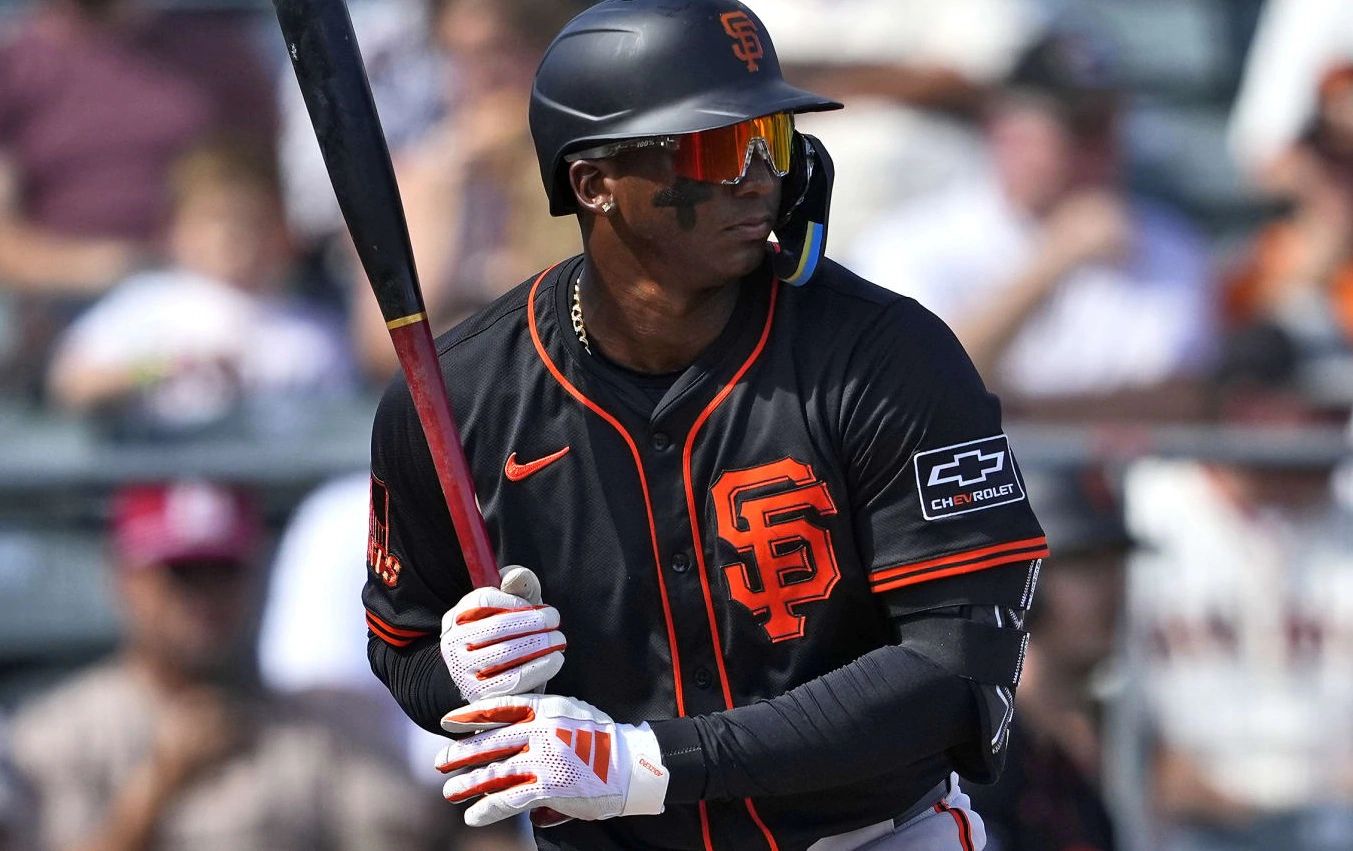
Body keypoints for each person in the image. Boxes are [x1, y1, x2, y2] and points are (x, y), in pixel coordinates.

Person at [361, 2, 1045, 849]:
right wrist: (462, 673)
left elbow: (952, 667)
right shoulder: (461, 395)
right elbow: (401, 644)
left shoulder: (886, 356)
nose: (757, 176)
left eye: (772, 139)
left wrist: (651, 762)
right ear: (593, 182)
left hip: (867, 836)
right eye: (717, 147)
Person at [9, 479, 459, 851]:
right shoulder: (59, 734)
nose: (205, 598)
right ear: (124, 579)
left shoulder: (331, 725)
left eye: (222, 571)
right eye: (182, 574)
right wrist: (156, 789)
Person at [849, 29, 1216, 421]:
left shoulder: (1168, 240)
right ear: (1003, 131)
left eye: (1108, 127)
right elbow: (917, 392)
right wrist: (1050, 266)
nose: (1101, 150)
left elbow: (1184, 398)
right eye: (1078, 129)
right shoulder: (910, 243)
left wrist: (1012, 414)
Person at [1123, 336, 1353, 851]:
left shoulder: (1345, 519)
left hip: (1336, 820)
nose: (1337, 434)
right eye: (1320, 414)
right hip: (1180, 824)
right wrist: (1148, 765)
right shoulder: (1147, 507)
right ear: (1250, 410)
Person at [0, 0, 277, 396]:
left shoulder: (218, 51)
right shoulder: (14, 67)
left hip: (218, 296)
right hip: (75, 320)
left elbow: (263, 186)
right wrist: (111, 269)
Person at [45, 139, 356, 438]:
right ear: (175, 228)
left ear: (284, 231)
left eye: (251, 219)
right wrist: (167, 367)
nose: (233, 235)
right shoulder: (144, 302)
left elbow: (340, 420)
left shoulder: (314, 330)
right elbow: (73, 386)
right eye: (214, 218)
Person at [350, 0, 584, 381]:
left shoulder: (587, 166)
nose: (480, 76)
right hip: (471, 395)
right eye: (459, 55)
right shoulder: (429, 173)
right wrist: (448, 178)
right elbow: (385, 350)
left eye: (499, 51)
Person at [967, 469, 1128, 851]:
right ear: (1024, 582)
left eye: (1116, 563)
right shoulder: (980, 756)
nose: (1112, 589)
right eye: (1085, 564)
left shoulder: (1072, 754)